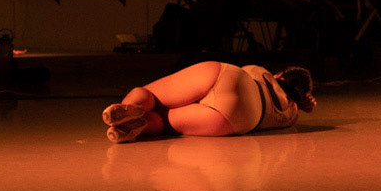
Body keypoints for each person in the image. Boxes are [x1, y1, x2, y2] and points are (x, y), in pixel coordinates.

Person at [101, 61, 316, 144]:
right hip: (245, 116)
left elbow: (247, 70)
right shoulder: (291, 115)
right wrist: (303, 104)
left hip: (234, 78)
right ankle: (135, 127)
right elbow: (299, 108)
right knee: (164, 121)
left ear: (280, 76)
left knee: (152, 96)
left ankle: (131, 108)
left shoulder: (263, 72)